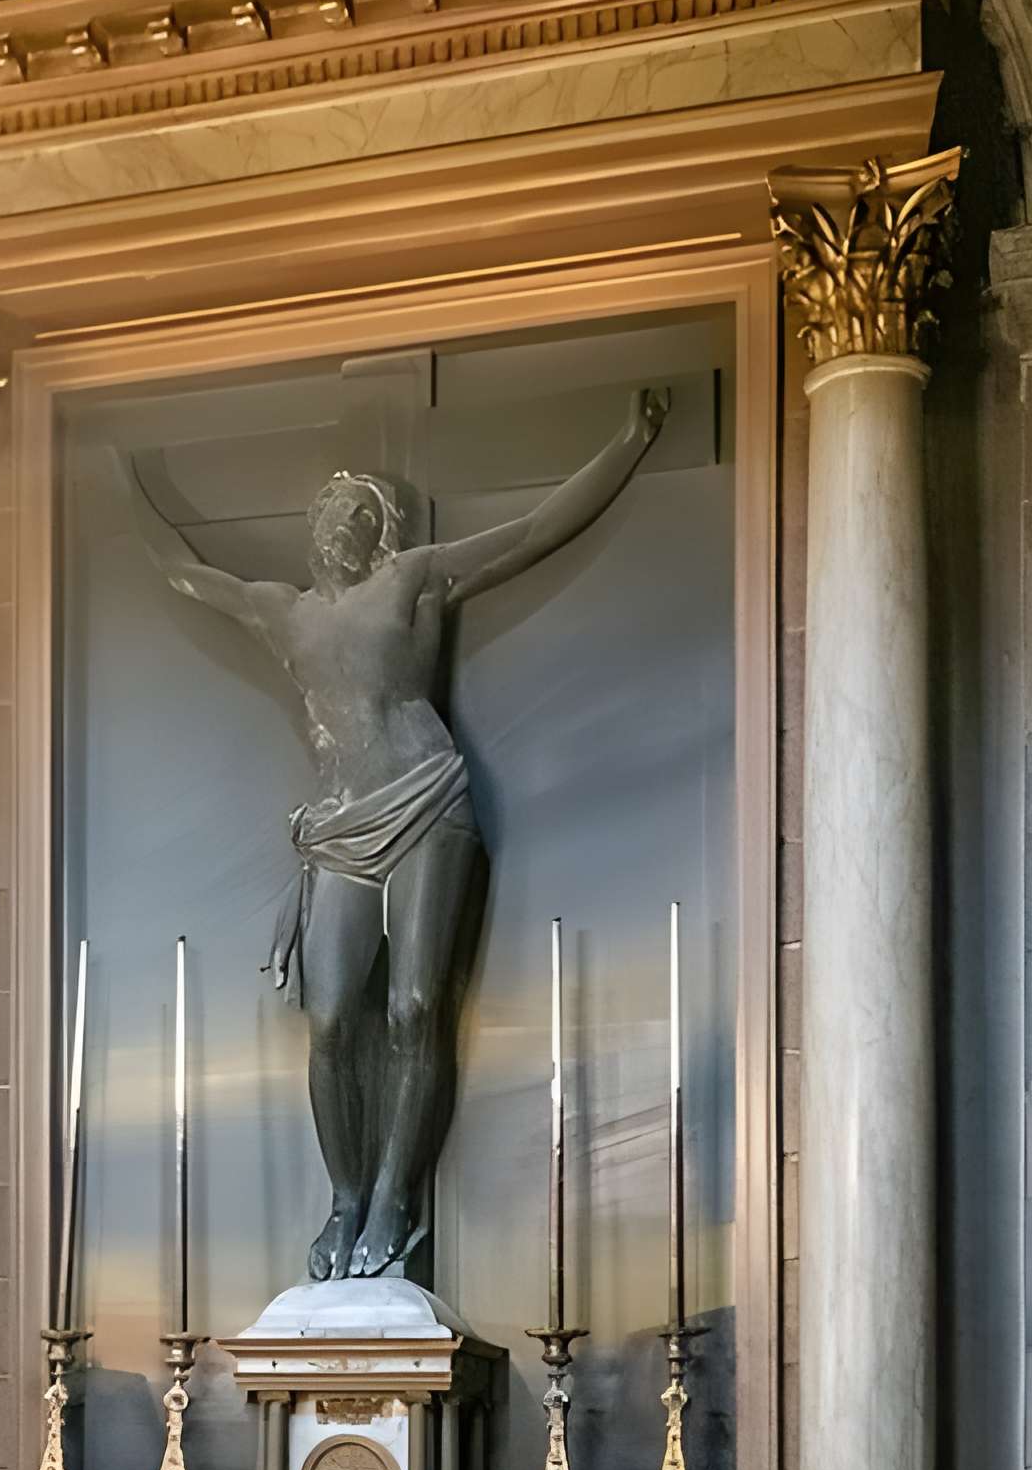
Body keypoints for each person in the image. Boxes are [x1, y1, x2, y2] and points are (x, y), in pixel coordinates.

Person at [124, 384, 668, 1280]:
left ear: (380, 532)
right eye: (332, 510)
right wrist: (122, 474)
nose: (342, 522)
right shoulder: (283, 610)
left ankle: (395, 1196)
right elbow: (184, 570)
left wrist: (626, 442)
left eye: (360, 513)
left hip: (426, 799)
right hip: (340, 827)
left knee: (416, 1007)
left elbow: (531, 533)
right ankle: (345, 1197)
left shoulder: (412, 579)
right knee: (333, 1021)